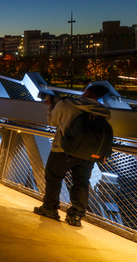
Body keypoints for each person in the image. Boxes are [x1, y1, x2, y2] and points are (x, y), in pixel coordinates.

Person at [33, 84, 111, 227]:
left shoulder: (66, 104)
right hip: (87, 154)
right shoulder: (104, 111)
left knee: (54, 178)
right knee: (81, 184)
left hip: (63, 149)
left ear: (86, 90)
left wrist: (51, 106)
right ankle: (75, 216)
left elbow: (53, 121)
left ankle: (50, 209)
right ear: (100, 96)